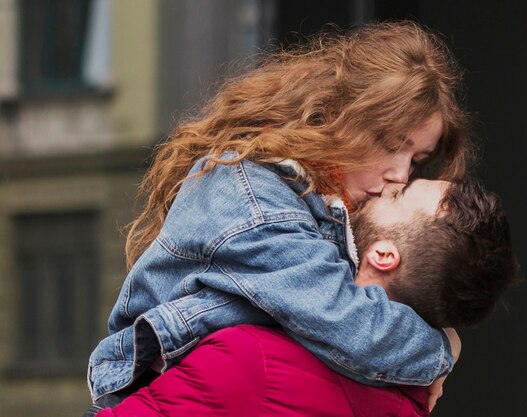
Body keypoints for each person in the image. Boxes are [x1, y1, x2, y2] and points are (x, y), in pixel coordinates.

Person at [84, 21, 474, 415]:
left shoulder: (328, 205)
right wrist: (443, 348)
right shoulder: (253, 194)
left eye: (417, 160)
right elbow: (348, 324)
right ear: (339, 117)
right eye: (392, 146)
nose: (401, 175)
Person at [94, 176, 518, 417]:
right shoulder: (411, 405)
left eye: (395, 195)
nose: (383, 184)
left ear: (384, 255)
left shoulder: (252, 359)